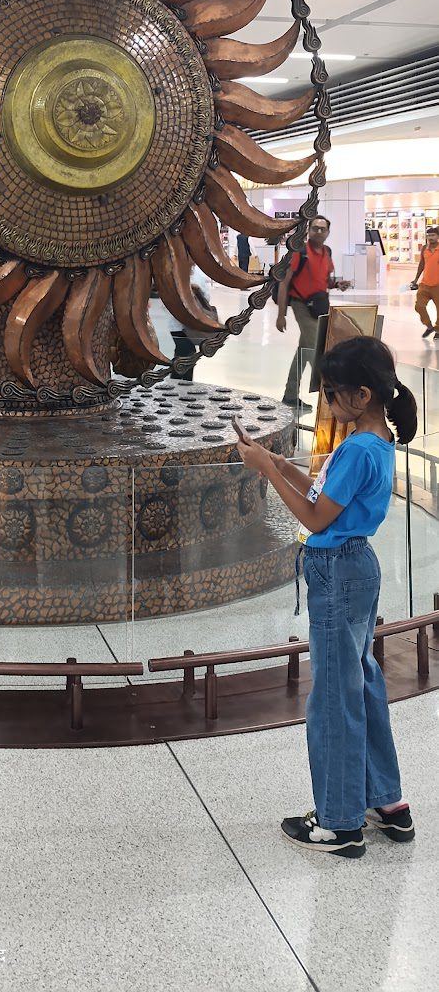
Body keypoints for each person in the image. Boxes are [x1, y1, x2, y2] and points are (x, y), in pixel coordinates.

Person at [236, 335, 416, 858]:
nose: (329, 402)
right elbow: (323, 496)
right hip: (357, 567)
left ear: (362, 394)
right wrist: (277, 462)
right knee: (360, 682)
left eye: (333, 393)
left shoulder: (357, 449)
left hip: (337, 571)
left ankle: (339, 823)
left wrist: (265, 472)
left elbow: (315, 519)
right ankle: (386, 802)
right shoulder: (373, 441)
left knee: (334, 697)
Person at [276, 216, 350, 412]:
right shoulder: (299, 252)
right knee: (316, 351)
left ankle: (290, 395)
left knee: (304, 351)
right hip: (301, 305)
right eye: (315, 228)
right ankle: (333, 397)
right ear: (308, 230)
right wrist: (281, 314)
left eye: (322, 229)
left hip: (319, 306)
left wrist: (337, 284)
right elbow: (284, 283)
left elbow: (324, 281)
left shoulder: (327, 252)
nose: (318, 232)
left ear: (328, 232)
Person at [411, 225, 439, 339]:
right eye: (428, 235)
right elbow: (422, 264)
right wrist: (416, 279)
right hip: (424, 284)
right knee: (419, 306)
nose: (430, 237)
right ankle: (429, 326)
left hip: (437, 285)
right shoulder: (424, 248)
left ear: (437, 236)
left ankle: (438, 330)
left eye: (433, 235)